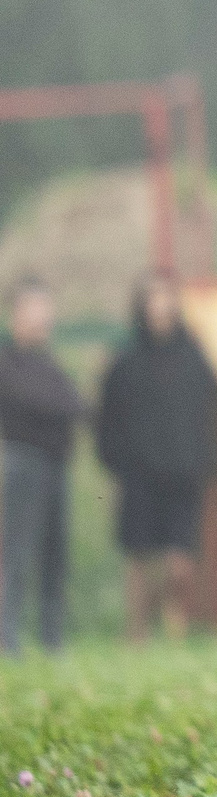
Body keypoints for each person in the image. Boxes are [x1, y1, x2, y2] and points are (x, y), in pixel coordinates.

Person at [96, 273, 217, 642]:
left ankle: (174, 626)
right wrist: (117, 462)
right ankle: (137, 633)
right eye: (152, 298)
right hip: (139, 476)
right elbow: (107, 420)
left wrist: (204, 461)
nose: (160, 306)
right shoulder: (125, 364)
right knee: (139, 558)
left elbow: (208, 417)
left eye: (166, 298)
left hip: (184, 474)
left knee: (179, 565)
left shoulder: (196, 361)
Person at [0, 276, 84, 656]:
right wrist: (64, 406)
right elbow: (45, 403)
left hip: (55, 465)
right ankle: (8, 637)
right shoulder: (9, 362)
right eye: (32, 310)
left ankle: (51, 639)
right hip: (23, 463)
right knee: (17, 553)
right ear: (15, 315)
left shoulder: (50, 365)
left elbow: (75, 404)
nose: (40, 319)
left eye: (45, 310)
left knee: (55, 554)